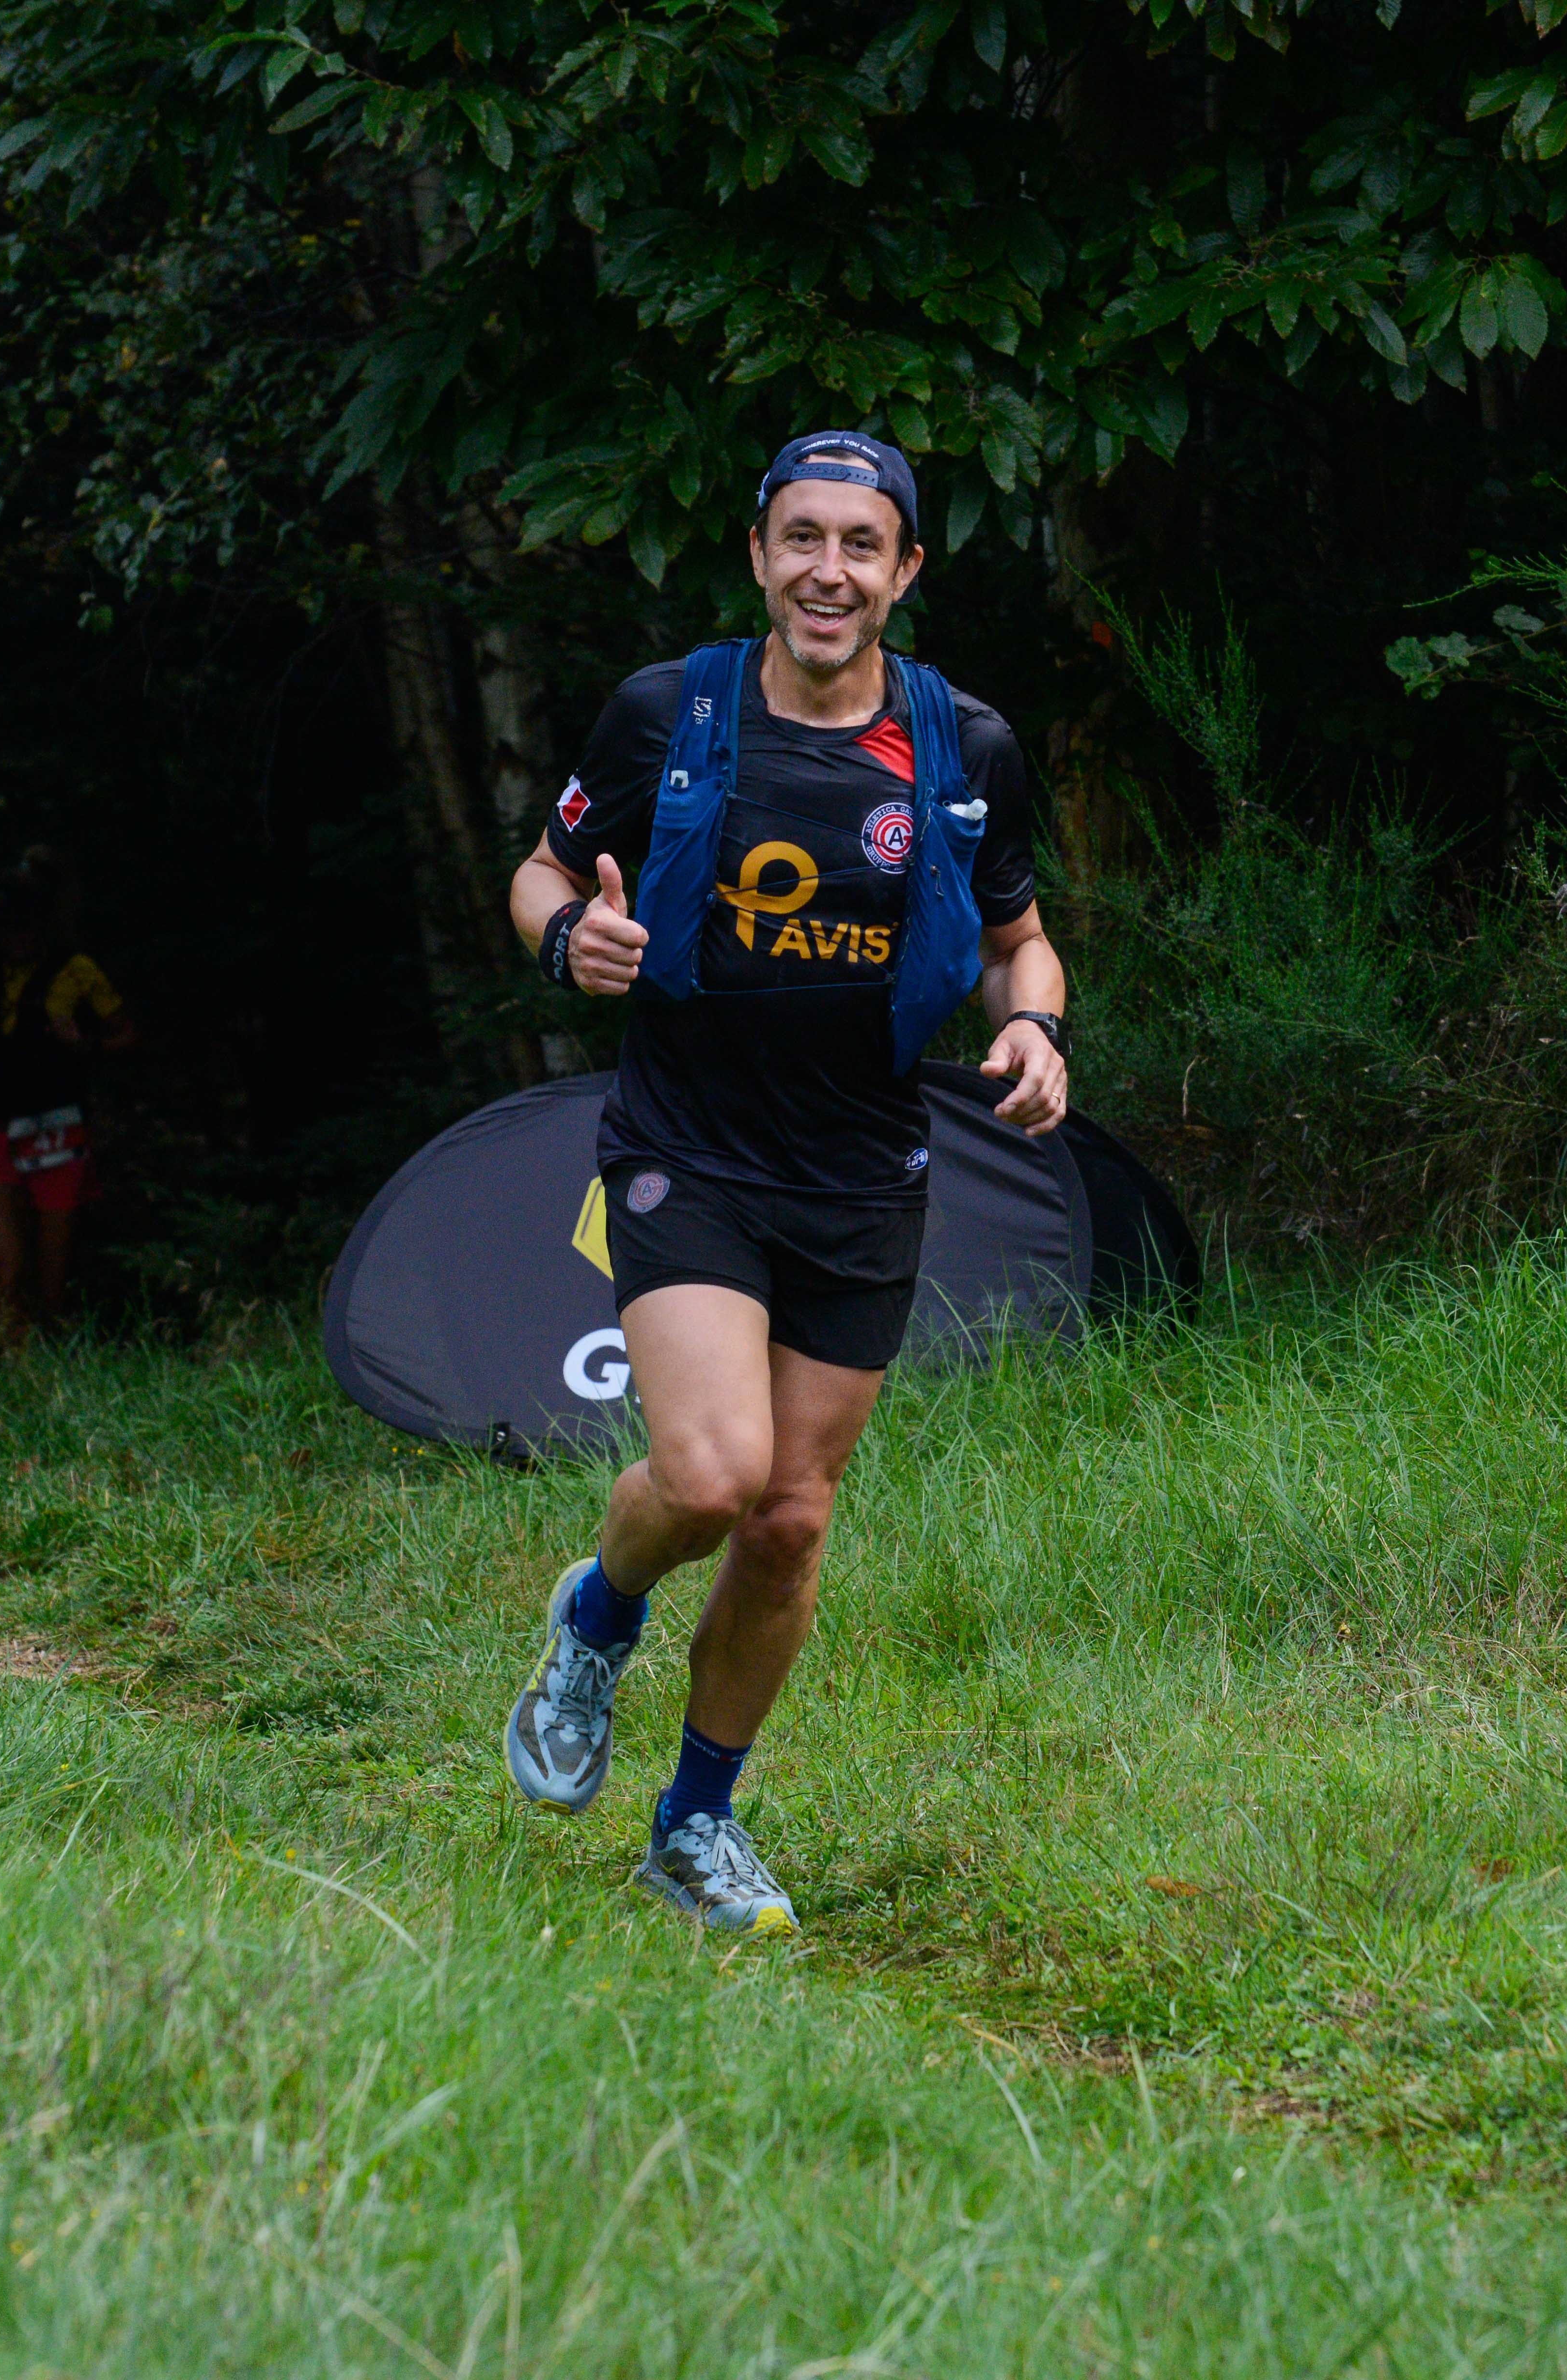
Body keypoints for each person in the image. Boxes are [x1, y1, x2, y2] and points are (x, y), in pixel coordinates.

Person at [497, 431, 1069, 1936]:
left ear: (904, 570)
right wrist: (567, 939)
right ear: (758, 554)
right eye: (801, 538)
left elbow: (1017, 939)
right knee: (709, 1477)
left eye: (860, 544)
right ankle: (596, 1617)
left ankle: (693, 1825)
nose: (829, 570)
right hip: (687, 1146)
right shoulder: (668, 713)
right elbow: (541, 871)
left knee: (789, 1522)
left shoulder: (964, 748)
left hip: (863, 1169)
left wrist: (1032, 1024)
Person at [0, 861, 137, 1338]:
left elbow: (127, 1035)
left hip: (56, 1126)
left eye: (26, 923)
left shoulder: (77, 971)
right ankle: (12, 1350)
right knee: (8, 1269)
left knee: (54, 1269)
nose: (17, 935)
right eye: (8, 925)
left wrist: (85, 1044)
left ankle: (55, 1342)